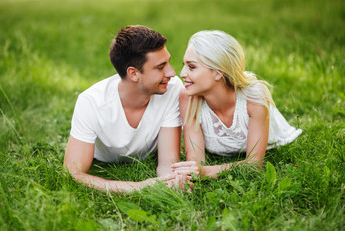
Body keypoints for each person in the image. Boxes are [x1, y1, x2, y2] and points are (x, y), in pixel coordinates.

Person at [64, 25, 187, 193]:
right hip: (105, 158)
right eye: (161, 66)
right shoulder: (91, 102)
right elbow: (73, 173)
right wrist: (137, 187)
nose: (172, 72)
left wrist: (172, 181)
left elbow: (167, 163)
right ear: (134, 73)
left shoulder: (172, 88)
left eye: (168, 62)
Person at [172, 30, 302, 178]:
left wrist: (207, 172)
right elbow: (196, 161)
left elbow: (254, 165)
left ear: (218, 72)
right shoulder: (188, 97)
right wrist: (192, 172)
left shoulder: (254, 97)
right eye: (184, 65)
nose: (182, 73)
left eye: (191, 67)